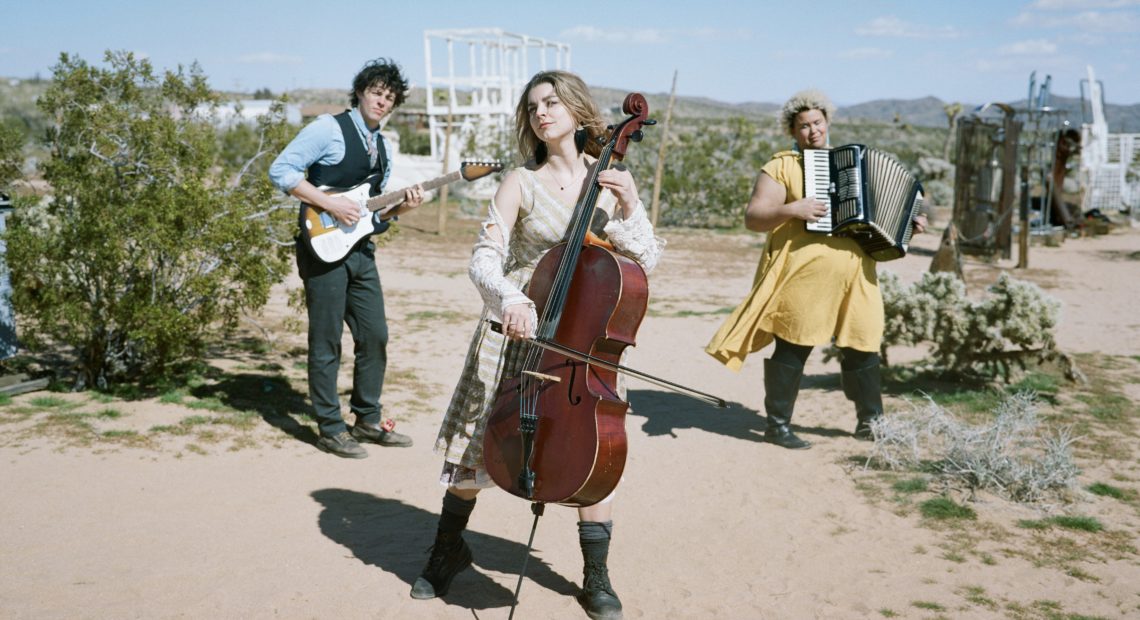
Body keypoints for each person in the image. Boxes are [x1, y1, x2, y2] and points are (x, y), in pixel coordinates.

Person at [410, 70, 664, 620]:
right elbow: (483, 258)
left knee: (592, 446)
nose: (542, 113)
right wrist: (512, 301)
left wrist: (630, 208)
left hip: (579, 340)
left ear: (576, 109)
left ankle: (595, 576)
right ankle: (446, 550)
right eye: (533, 108)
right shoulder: (520, 182)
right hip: (517, 329)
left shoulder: (610, 178)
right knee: (480, 445)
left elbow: (643, 262)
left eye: (551, 103)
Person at [705, 89, 926, 449]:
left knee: (863, 343)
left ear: (827, 122)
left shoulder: (854, 165)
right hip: (804, 274)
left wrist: (907, 227)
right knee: (794, 345)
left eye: (818, 123)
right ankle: (777, 425)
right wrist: (793, 210)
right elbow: (754, 217)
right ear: (792, 132)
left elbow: (883, 218)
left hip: (857, 274)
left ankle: (870, 423)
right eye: (803, 126)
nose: (813, 131)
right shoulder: (781, 167)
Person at [269, 58, 421, 458]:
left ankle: (367, 420)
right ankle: (330, 427)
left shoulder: (383, 148)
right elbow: (281, 171)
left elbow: (371, 214)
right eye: (376, 92)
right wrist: (329, 204)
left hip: (360, 251)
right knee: (326, 340)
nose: (382, 101)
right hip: (321, 249)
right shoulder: (327, 129)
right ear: (360, 91)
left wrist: (402, 209)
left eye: (389, 97)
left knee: (375, 336)